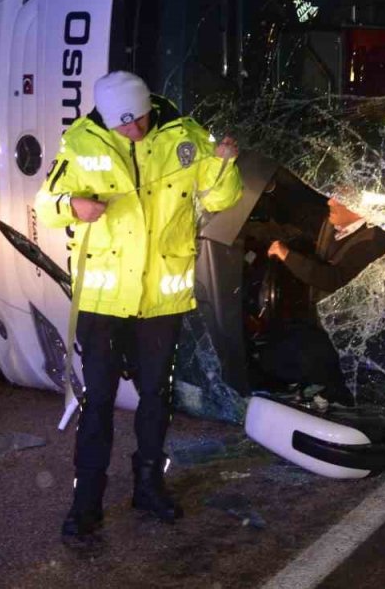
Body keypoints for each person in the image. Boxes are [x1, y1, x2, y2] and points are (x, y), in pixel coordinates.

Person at [34, 70, 242, 546]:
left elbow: (220, 199)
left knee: (156, 396)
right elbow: (46, 204)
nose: (132, 130)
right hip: (105, 300)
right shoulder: (82, 143)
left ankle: (149, 485)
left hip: (161, 298)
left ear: (149, 105)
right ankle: (86, 503)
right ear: (107, 120)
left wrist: (225, 165)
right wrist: (75, 205)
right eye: (121, 125)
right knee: (99, 400)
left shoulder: (184, 136)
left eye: (137, 119)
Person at [258, 193, 385, 405]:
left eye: (340, 197)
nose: (330, 201)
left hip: (346, 332)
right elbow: (300, 224)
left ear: (361, 206)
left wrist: (287, 255)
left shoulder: (374, 240)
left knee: (281, 358)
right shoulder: (333, 223)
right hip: (318, 318)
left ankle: (339, 395)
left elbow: (335, 279)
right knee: (271, 348)